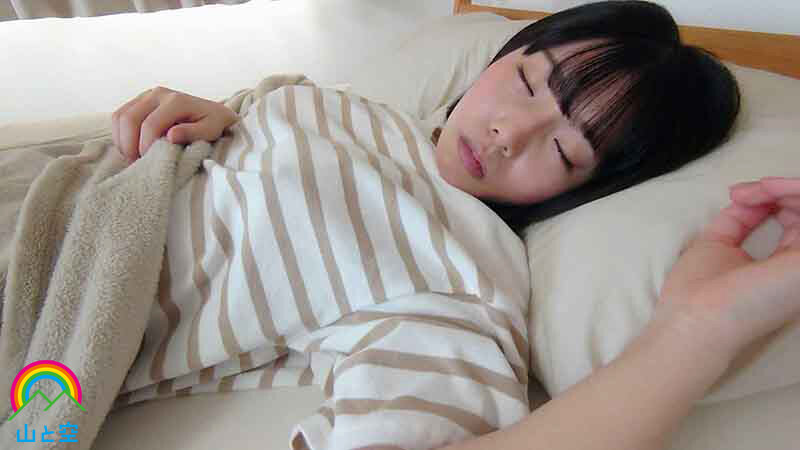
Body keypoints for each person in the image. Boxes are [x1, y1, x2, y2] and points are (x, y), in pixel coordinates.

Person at [110, 1, 800, 449]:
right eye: (527, 82)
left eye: (565, 150)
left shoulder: (460, 273)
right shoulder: (357, 109)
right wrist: (225, 119)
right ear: (505, 53)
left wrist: (699, 330)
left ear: (592, 189)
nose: (509, 133)